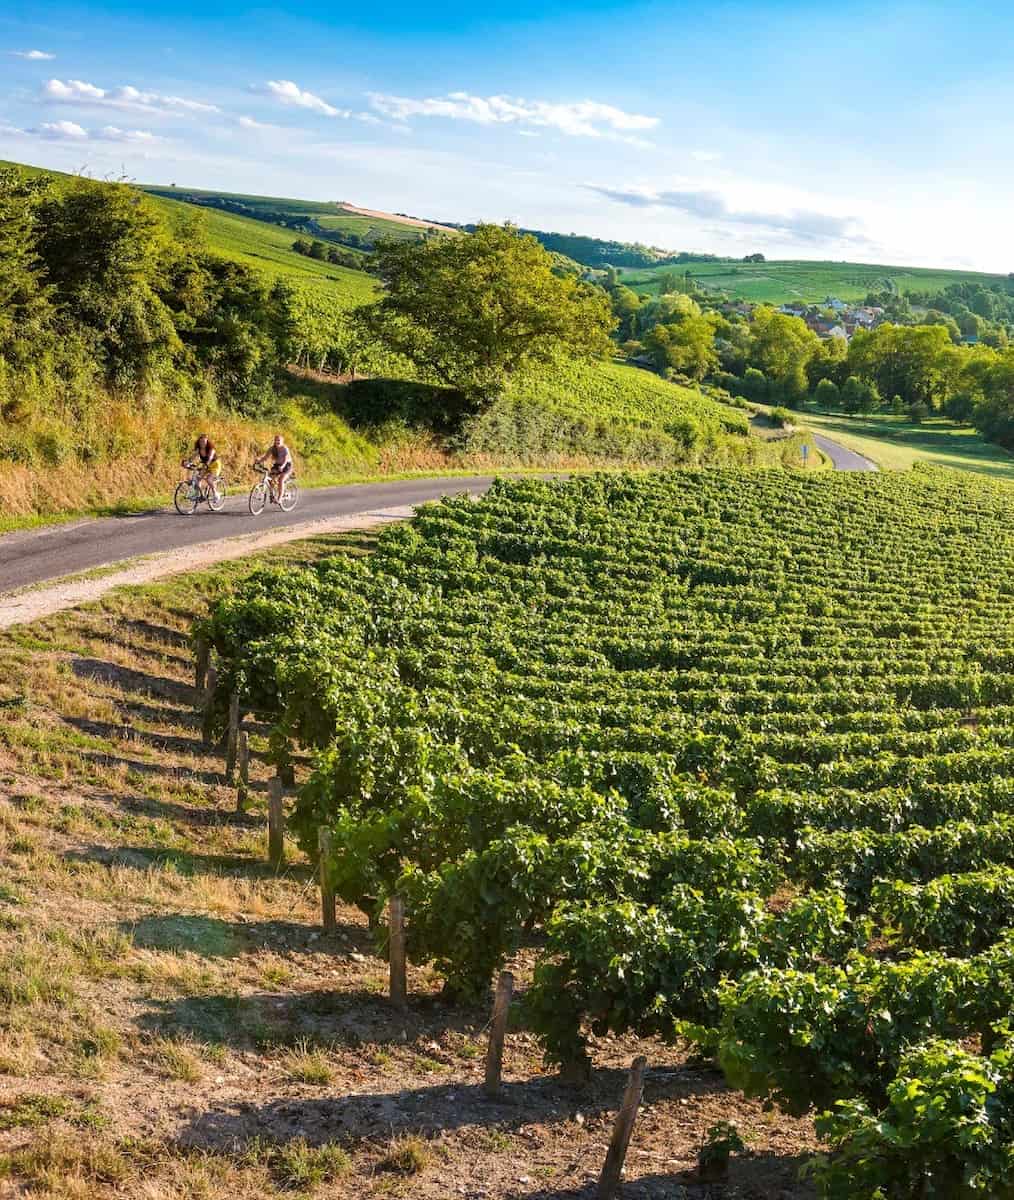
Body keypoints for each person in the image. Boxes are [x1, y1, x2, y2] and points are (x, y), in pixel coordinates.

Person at [255, 434, 294, 504]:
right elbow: (265, 457)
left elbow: (285, 459)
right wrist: (259, 460)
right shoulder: (272, 448)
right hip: (277, 465)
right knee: (270, 478)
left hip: (287, 465)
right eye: (276, 440)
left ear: (282, 441)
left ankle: (279, 499)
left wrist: (282, 466)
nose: (277, 442)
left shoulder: (285, 448)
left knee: (280, 480)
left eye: (279, 440)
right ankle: (272, 495)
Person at [183, 434, 221, 499]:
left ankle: (215, 493)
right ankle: (199, 494)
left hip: (215, 465)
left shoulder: (211, 449)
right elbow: (192, 457)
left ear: (207, 442)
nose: (202, 444)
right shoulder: (199, 449)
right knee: (197, 479)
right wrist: (187, 462)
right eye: (201, 442)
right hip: (206, 465)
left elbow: (210, 458)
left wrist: (205, 465)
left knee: (209, 479)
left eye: (204, 442)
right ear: (199, 442)